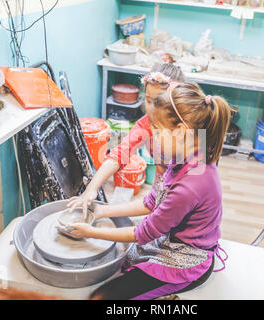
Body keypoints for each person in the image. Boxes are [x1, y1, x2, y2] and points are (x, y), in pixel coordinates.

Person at [66, 82, 231, 300]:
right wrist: (101, 211)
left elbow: (142, 234)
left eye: (157, 129)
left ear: (180, 132)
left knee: (101, 298)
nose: (151, 135)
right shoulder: (188, 155)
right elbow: (152, 202)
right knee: (116, 262)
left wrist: (90, 232)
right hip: (170, 239)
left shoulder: (192, 184)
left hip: (186, 261)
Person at [67, 63, 186, 214]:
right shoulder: (146, 123)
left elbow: (196, 183)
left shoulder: (190, 131)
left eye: (160, 102)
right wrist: (91, 189)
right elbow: (120, 152)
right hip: (161, 189)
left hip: (185, 199)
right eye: (149, 100)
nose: (153, 109)